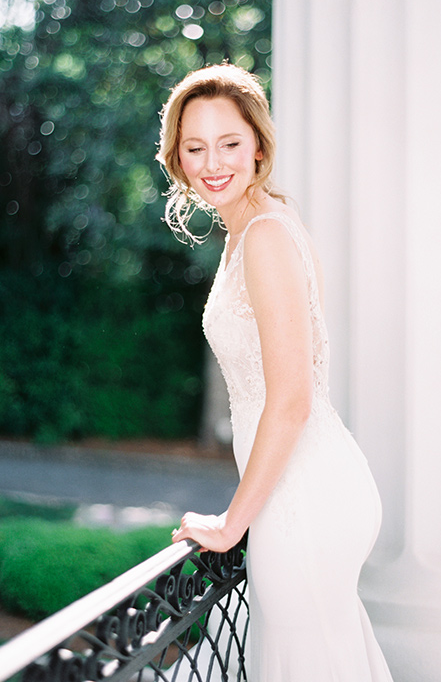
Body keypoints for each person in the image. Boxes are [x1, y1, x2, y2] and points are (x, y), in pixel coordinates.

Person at [157, 63, 394, 681]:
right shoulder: (254, 229)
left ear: (258, 144)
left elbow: (290, 399)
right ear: (177, 158)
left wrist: (233, 520)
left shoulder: (264, 235)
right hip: (302, 488)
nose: (214, 162)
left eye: (230, 143)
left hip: (306, 500)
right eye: (196, 147)